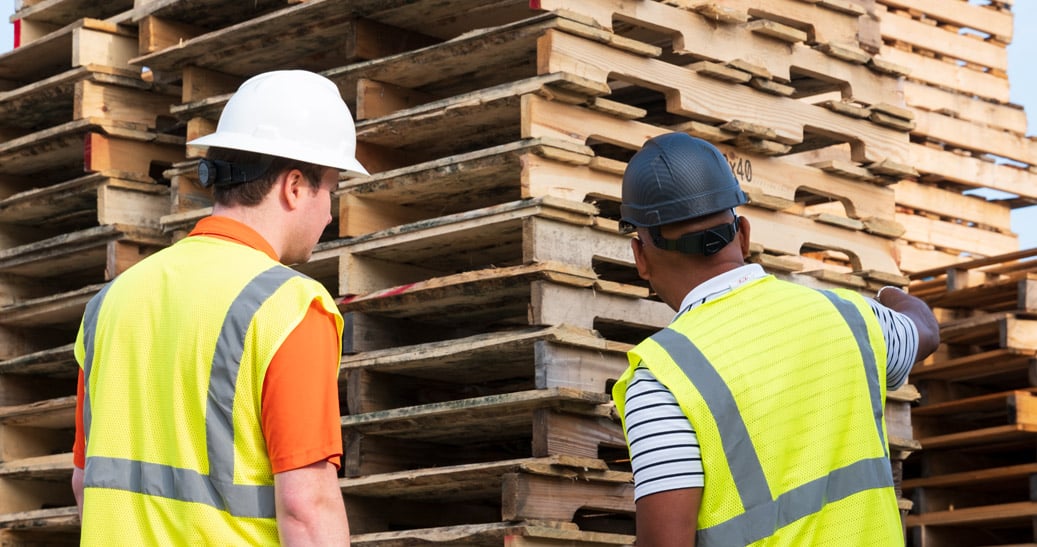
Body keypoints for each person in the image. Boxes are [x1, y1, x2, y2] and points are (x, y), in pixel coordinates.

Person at [71, 70, 368, 545]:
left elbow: (86, 484)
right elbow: (306, 507)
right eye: (329, 187)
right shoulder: (290, 308)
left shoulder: (110, 302)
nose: (330, 212)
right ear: (294, 185)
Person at [611, 133, 940, 546]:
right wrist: (888, 297)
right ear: (743, 235)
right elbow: (924, 331)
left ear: (640, 257)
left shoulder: (663, 380)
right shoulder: (849, 318)